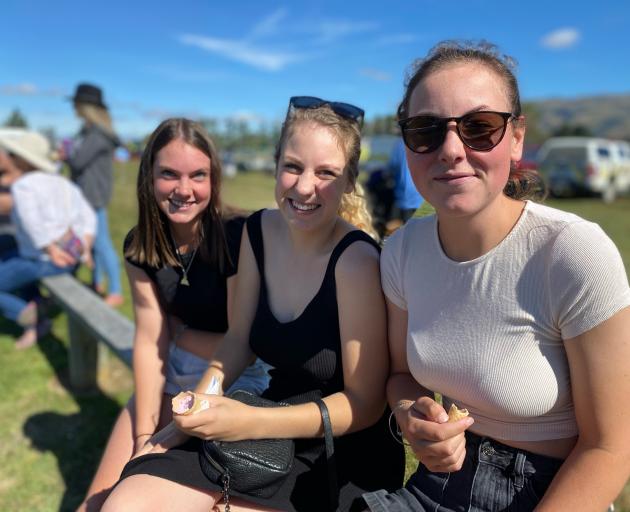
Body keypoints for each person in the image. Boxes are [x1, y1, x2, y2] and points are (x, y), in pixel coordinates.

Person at [361, 40, 630, 512]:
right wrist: (412, 415)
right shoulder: (402, 251)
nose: (450, 150)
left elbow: (611, 448)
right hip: (435, 487)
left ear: (517, 137)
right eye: (425, 130)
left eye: (479, 128)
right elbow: (402, 375)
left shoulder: (571, 252)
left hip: (550, 491)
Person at [102, 98, 405, 512]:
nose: (303, 187)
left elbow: (365, 404)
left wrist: (248, 422)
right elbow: (239, 339)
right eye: (293, 167)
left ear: (350, 179)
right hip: (264, 420)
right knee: (126, 503)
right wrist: (196, 408)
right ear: (276, 162)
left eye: (327, 173)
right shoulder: (257, 231)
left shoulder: (356, 261)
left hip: (338, 454)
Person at [77, 118, 271, 512]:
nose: (184, 190)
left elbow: (243, 345)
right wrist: (143, 436)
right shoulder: (141, 245)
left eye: (198, 175)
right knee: (96, 502)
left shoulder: (237, 234)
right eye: (169, 174)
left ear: (214, 179)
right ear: (149, 176)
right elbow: (150, 338)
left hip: (235, 381)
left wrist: (180, 334)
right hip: (174, 373)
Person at [0, 129, 96, 349]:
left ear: (22, 159)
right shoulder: (65, 184)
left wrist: (50, 248)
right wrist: (85, 248)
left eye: (13, 155)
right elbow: (88, 217)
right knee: (10, 254)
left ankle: (27, 315)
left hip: (43, 259)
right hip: (69, 259)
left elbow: (31, 222)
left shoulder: (23, 186)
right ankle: (35, 303)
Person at [61, 83, 123, 307]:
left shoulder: (98, 134)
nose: (74, 108)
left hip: (92, 196)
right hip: (87, 194)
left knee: (103, 243)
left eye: (76, 104)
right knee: (94, 242)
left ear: (85, 106)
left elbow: (78, 161)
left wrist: (65, 154)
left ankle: (116, 290)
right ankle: (98, 283)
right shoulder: (90, 132)